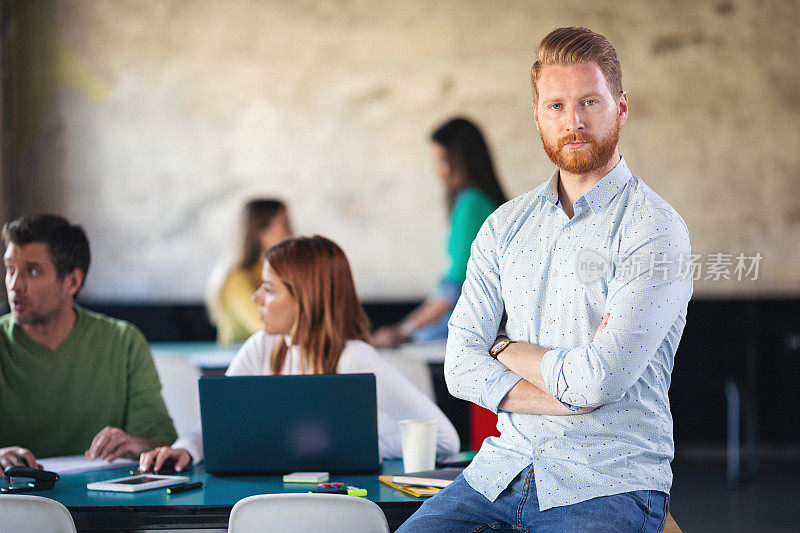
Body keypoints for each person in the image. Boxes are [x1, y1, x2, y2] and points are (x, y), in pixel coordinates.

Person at [399, 27, 692, 532]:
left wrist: (504, 349)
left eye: (589, 102)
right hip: (498, 471)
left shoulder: (654, 230)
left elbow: (600, 379)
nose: (573, 121)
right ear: (537, 114)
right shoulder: (505, 225)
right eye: (555, 106)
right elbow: (459, 365)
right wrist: (571, 399)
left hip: (607, 483)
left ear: (621, 107)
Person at [140, 236, 460, 472]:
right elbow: (216, 427)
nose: (255, 298)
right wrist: (185, 449)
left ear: (305, 300)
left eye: (268, 288)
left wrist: (363, 445)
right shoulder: (261, 346)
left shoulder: (353, 358)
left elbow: (445, 440)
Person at [0, 214, 177, 474]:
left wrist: (134, 444)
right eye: (10, 269)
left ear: (72, 281)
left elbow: (163, 443)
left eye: (33, 271)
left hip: (106, 506)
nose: (15, 285)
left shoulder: (123, 342)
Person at [372, 117, 506, 347]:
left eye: (442, 160)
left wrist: (403, 330)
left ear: (463, 161)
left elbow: (455, 287)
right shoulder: (480, 202)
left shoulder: (471, 203)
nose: (439, 171)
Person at [206, 199, 293, 344]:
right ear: (261, 231)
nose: (291, 231)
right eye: (286, 224)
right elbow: (266, 327)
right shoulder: (236, 279)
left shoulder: (275, 271)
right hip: (241, 361)